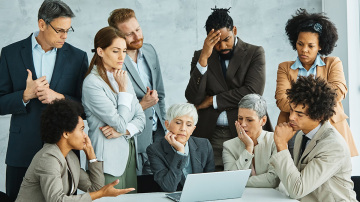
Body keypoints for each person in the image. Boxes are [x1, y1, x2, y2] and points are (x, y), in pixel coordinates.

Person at [0, 0, 88, 200]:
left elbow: (85, 108)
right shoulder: (10, 53)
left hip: (64, 152)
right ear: (41, 24)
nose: (65, 36)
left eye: (68, 30)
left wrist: (59, 98)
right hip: (22, 150)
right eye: (59, 30)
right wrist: (25, 95)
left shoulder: (77, 57)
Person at [185, 7, 272, 171]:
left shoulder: (254, 53)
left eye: (227, 39)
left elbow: (252, 92)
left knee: (247, 181)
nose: (222, 45)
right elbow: (194, 98)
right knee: (210, 182)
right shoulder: (201, 55)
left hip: (245, 131)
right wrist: (204, 57)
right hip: (209, 133)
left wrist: (212, 100)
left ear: (235, 30)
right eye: (216, 42)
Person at [275, 8, 358, 157]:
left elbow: (338, 92)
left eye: (310, 46)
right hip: (295, 131)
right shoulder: (284, 68)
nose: (304, 50)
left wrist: (301, 105)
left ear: (320, 46)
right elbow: (282, 101)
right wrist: (317, 103)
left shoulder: (333, 63)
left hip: (331, 128)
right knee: (294, 173)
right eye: (300, 44)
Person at [16, 99, 134, 201]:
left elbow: (95, 189)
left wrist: (91, 156)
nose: (85, 135)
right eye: (81, 129)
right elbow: (57, 200)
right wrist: (101, 193)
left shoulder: (70, 157)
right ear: (66, 133)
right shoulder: (48, 158)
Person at [270, 76, 357, 201]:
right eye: (291, 110)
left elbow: (297, 190)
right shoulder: (301, 134)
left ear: (319, 116)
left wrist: (282, 144)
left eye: (299, 114)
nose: (291, 117)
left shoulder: (333, 146)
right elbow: (292, 177)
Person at [82, 27, 145, 192]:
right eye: (116, 51)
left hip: (129, 157)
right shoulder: (92, 83)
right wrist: (123, 91)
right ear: (100, 51)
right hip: (107, 161)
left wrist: (123, 132)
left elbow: (140, 118)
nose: (121, 56)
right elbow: (119, 122)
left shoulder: (123, 76)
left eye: (124, 51)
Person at [108, 9, 167, 178]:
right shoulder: (114, 62)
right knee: (138, 190)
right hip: (133, 139)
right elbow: (113, 111)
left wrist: (165, 124)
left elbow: (160, 94)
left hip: (160, 136)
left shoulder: (150, 51)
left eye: (138, 30)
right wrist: (142, 105)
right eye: (129, 34)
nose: (137, 36)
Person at [146, 103, 215, 192]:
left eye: (189, 125)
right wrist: (180, 152)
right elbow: (169, 187)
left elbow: (210, 182)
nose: (183, 128)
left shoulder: (204, 145)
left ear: (193, 129)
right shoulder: (155, 150)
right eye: (178, 123)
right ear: (167, 124)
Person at [223, 94, 279, 188]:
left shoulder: (275, 141)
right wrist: (249, 148)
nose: (243, 124)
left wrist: (239, 181)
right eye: (240, 118)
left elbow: (273, 180)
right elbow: (230, 179)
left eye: (249, 120)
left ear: (263, 121)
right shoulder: (229, 146)